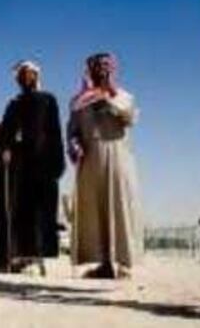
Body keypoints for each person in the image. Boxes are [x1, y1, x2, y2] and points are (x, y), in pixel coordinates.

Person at [67, 53, 142, 279]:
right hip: (90, 161)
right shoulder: (79, 101)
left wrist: (110, 95)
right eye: (98, 66)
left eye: (107, 66)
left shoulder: (125, 96)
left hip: (118, 157)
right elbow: (72, 130)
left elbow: (129, 118)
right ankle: (104, 264)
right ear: (90, 69)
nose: (102, 70)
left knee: (119, 208)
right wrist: (73, 144)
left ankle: (123, 264)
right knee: (95, 212)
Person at [0, 60, 65, 274]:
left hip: (44, 164)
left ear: (36, 76)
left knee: (43, 213)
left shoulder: (48, 100)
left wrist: (58, 163)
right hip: (21, 167)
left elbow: (55, 132)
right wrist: (1, 143)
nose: (26, 78)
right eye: (22, 75)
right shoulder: (14, 104)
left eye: (29, 74)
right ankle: (22, 258)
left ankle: (39, 259)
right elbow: (7, 133)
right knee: (22, 212)